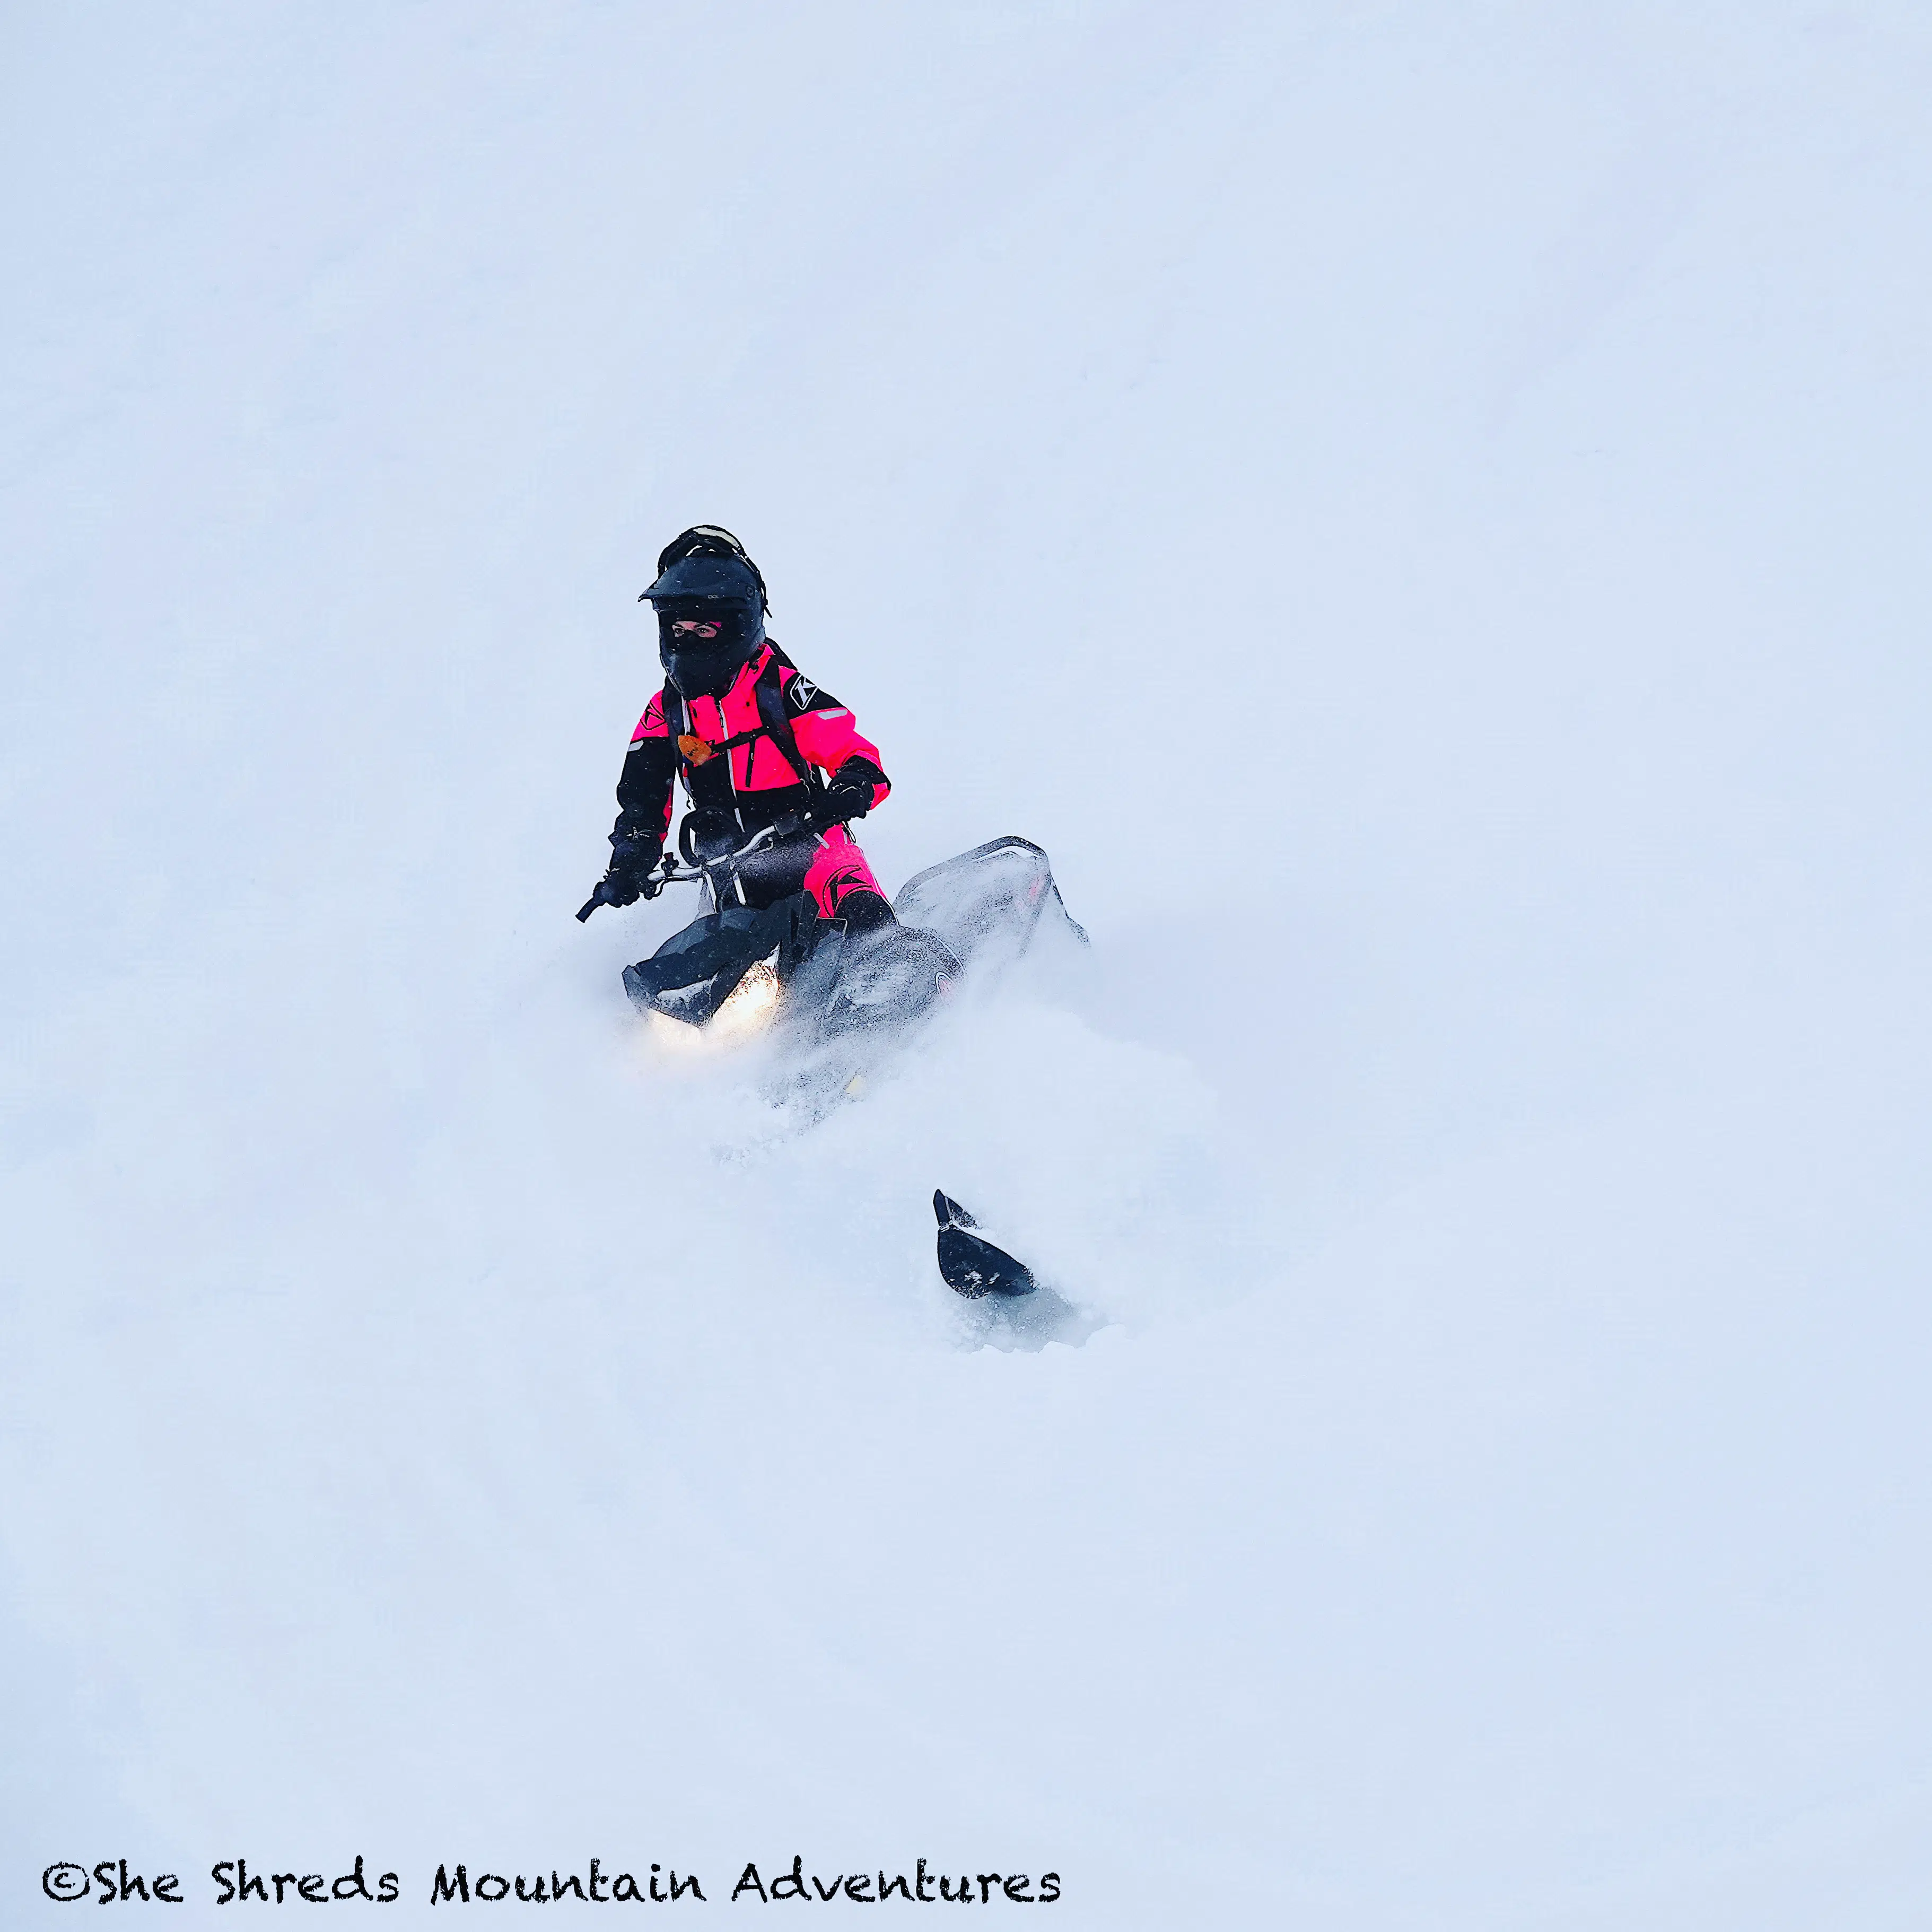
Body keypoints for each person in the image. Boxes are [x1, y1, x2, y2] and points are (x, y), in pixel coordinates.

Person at [585, 526, 895, 929]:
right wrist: (632, 857)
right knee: (710, 960)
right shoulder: (666, 709)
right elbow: (642, 799)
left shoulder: (779, 688)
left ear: (736, 626)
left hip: (813, 842)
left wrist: (853, 785)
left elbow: (854, 752)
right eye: (679, 631)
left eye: (704, 630)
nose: (688, 641)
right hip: (724, 865)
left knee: (861, 911)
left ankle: (906, 972)